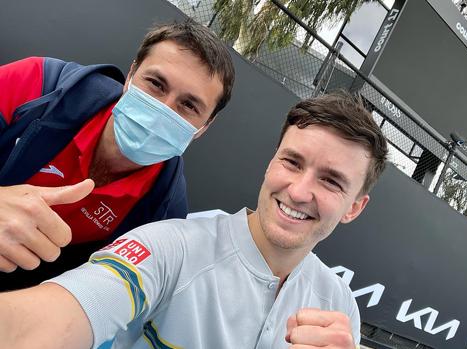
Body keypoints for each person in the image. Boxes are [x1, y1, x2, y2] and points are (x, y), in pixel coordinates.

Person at [0, 91, 388, 349]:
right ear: (271, 162)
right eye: (292, 161)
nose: (300, 191)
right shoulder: (173, 246)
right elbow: (54, 317)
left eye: (331, 181)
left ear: (355, 206)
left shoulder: (340, 304)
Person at [0, 21, 235, 287]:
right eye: (156, 84)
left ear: (204, 127)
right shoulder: (39, 84)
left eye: (189, 105)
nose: (162, 110)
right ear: (132, 73)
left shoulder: (165, 212)